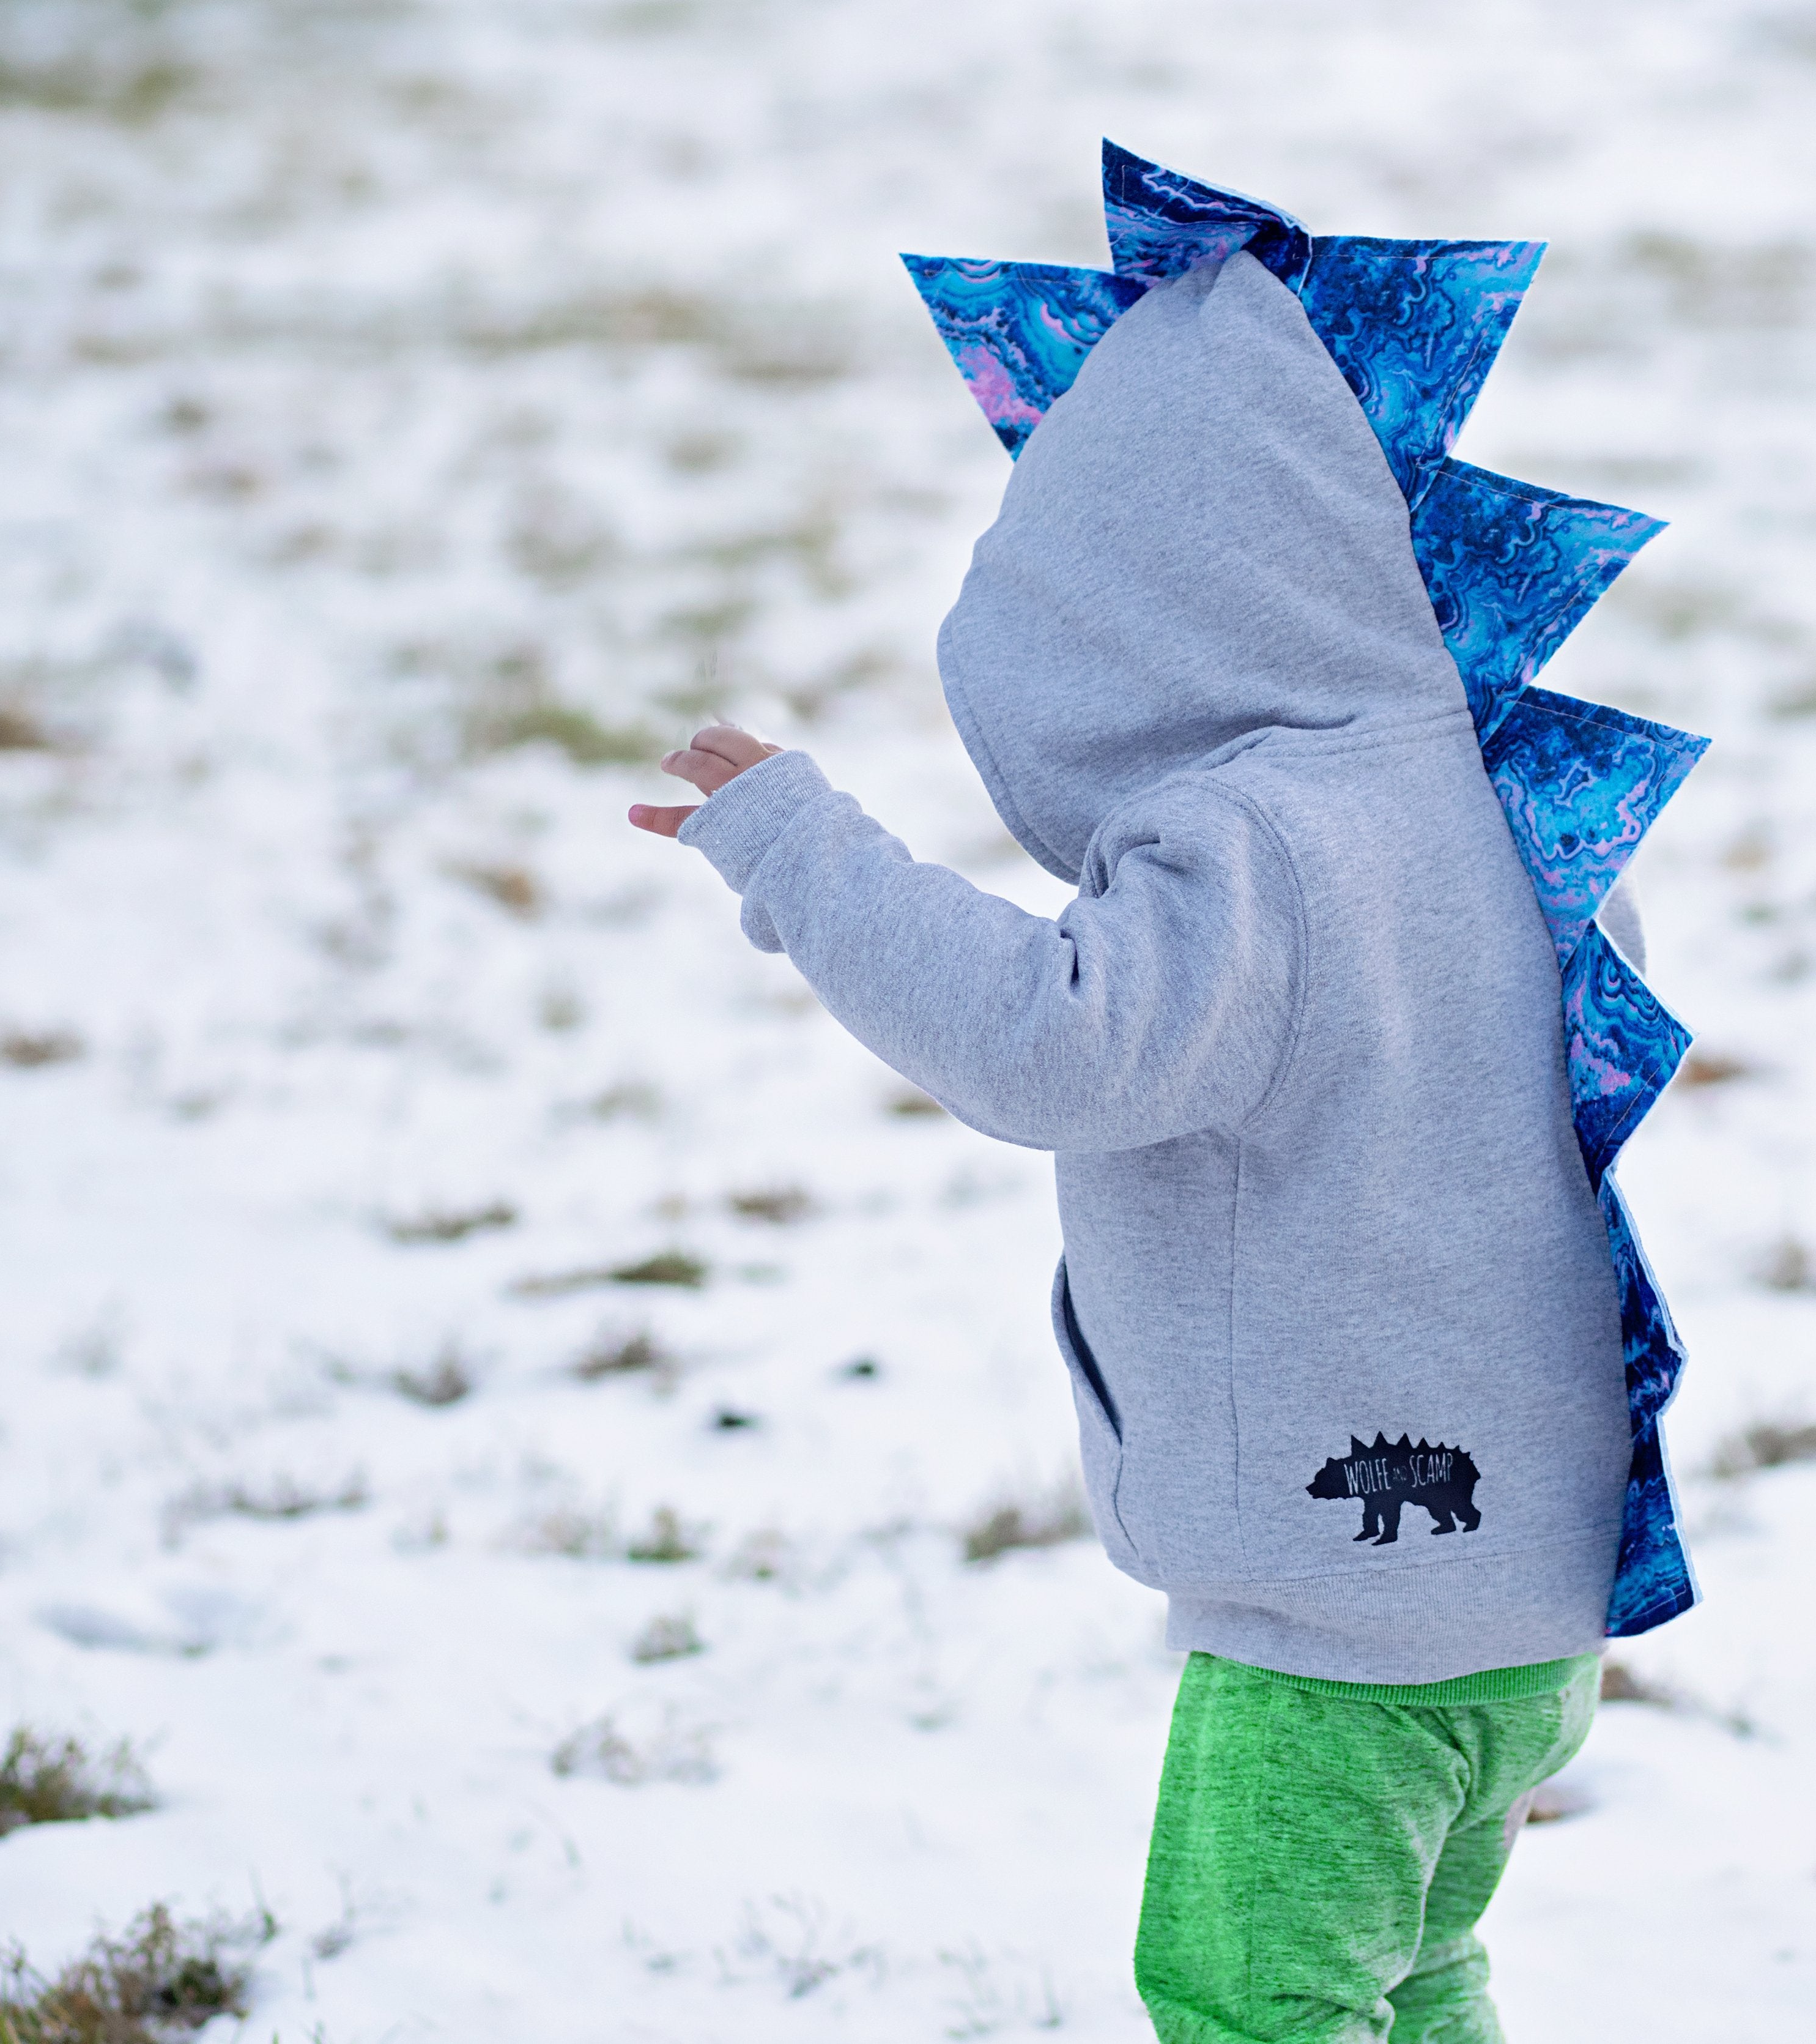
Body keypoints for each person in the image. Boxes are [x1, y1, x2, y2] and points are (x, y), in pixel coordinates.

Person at [628, 249, 1623, 2043]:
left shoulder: (1259, 845)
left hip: (1340, 1626)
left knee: (1248, 1994)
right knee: (1410, 1976)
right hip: (1529, 1595)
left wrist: (801, 853)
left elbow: (1052, 1044)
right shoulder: (1480, 788)